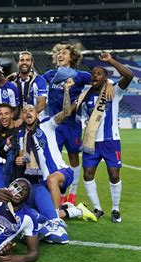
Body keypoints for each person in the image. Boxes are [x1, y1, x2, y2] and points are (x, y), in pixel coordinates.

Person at [15, 79, 97, 223]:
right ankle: (75, 210)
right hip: (43, 181)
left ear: (36, 113)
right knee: (40, 213)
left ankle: (56, 222)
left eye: (31, 110)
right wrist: (20, 159)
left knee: (52, 180)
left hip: (61, 173)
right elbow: (24, 157)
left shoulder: (47, 124)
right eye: (24, 111)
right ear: (22, 116)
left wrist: (66, 91)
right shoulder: (22, 135)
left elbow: (65, 113)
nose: (28, 113)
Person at [80, 53, 134, 223]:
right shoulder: (86, 95)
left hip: (111, 141)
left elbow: (129, 75)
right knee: (88, 174)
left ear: (106, 78)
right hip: (91, 142)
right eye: (93, 73)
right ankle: (97, 209)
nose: (94, 75)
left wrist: (110, 60)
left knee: (113, 174)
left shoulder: (114, 91)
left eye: (99, 73)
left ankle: (116, 209)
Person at [42, 43, 92, 204]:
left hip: (72, 125)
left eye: (64, 53)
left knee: (73, 157)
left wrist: (109, 86)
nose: (60, 55)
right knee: (54, 158)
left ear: (72, 57)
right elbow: (35, 84)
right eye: (58, 53)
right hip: (55, 125)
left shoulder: (81, 75)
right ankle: (60, 193)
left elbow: (100, 79)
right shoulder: (49, 75)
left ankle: (74, 192)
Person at [9, 51, 48, 116]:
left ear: (32, 63)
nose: (24, 62)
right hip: (18, 120)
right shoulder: (12, 82)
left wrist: (24, 117)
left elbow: (41, 105)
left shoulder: (40, 80)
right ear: (18, 63)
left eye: (27, 60)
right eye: (22, 60)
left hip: (37, 119)